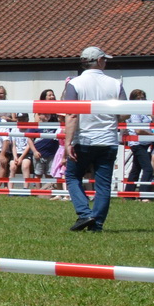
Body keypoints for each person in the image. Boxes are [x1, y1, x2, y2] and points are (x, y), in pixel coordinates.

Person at [62, 47, 124, 232]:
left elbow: (71, 114)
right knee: (103, 184)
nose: (106, 62)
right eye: (104, 59)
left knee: (73, 177)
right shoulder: (116, 83)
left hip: (84, 139)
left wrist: (67, 142)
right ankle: (97, 224)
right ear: (99, 61)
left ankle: (84, 213)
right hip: (108, 140)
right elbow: (125, 113)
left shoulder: (74, 83)